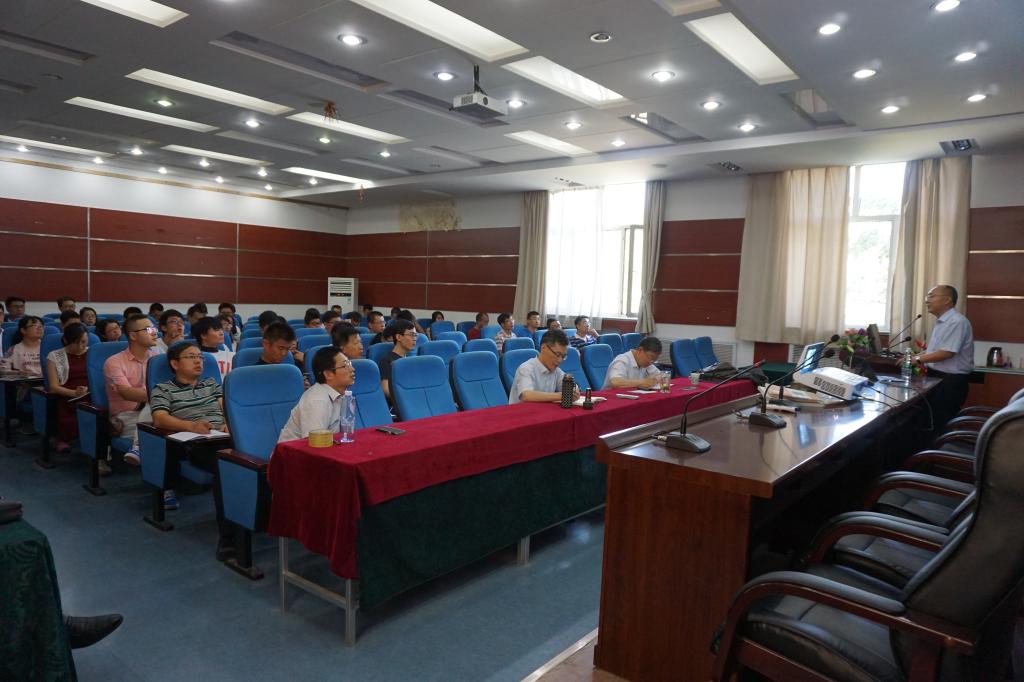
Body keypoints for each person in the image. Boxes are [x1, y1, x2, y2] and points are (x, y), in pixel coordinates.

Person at [150, 341, 234, 554]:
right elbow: (159, 418)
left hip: (224, 436)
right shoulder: (163, 389)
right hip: (195, 443)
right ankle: (229, 539)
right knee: (226, 469)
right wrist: (191, 426)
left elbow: (226, 408)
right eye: (191, 357)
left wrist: (229, 422)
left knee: (254, 460)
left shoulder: (211, 384)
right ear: (175, 363)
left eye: (200, 357)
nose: (198, 361)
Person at [912, 285, 976, 433]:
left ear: (947, 300)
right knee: (931, 421)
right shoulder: (943, 321)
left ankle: (940, 447)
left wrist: (917, 360)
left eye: (931, 296)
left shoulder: (956, 322)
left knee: (941, 423)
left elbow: (947, 353)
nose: (927, 300)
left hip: (950, 382)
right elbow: (934, 350)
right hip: (938, 378)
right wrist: (915, 356)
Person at [102, 313, 157, 470]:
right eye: (148, 329)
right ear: (133, 335)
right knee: (159, 412)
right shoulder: (114, 362)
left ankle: (137, 448)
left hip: (156, 412)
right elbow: (126, 393)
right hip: (125, 418)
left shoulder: (158, 358)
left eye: (154, 328)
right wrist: (163, 396)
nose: (154, 332)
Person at [278, 346, 355, 442]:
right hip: (293, 451)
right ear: (328, 374)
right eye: (345, 365)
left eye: (350, 364)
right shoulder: (317, 401)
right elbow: (315, 445)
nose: (352, 369)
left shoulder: (340, 395)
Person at [45, 323, 90, 452]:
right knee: (66, 416)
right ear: (66, 340)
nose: (80, 346)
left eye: (84, 342)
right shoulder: (54, 356)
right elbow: (53, 387)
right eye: (76, 343)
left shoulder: (92, 352)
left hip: (90, 393)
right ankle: (62, 439)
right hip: (66, 395)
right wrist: (74, 393)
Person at [508, 329, 579, 405]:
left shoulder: (556, 371)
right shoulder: (526, 368)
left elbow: (569, 385)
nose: (560, 360)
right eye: (557, 354)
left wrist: (574, 390)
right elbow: (526, 395)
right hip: (521, 411)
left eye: (563, 356)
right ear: (543, 348)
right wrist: (561, 396)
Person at [378, 319, 416, 400]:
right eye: (411, 335)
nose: (415, 338)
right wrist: (407, 397)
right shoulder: (387, 361)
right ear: (398, 337)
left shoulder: (410, 360)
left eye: (416, 335)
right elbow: (386, 390)